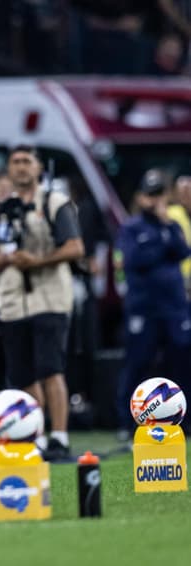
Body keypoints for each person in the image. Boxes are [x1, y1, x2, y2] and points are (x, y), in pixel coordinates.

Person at [0, 145, 84, 461]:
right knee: (23, 374)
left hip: (49, 296)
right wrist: (10, 258)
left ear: (39, 168)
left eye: (27, 161)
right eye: (15, 161)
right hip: (13, 300)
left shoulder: (54, 203)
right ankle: (35, 435)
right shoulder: (3, 208)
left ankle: (60, 437)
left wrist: (37, 261)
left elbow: (75, 247)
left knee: (51, 368)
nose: (21, 167)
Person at [116, 170, 191, 435]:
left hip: (174, 306)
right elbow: (134, 260)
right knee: (138, 363)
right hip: (143, 307)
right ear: (140, 197)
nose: (154, 200)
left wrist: (164, 229)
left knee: (182, 362)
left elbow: (183, 251)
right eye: (150, 194)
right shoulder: (131, 227)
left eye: (159, 194)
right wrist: (162, 246)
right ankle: (127, 421)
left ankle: (184, 419)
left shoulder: (171, 224)